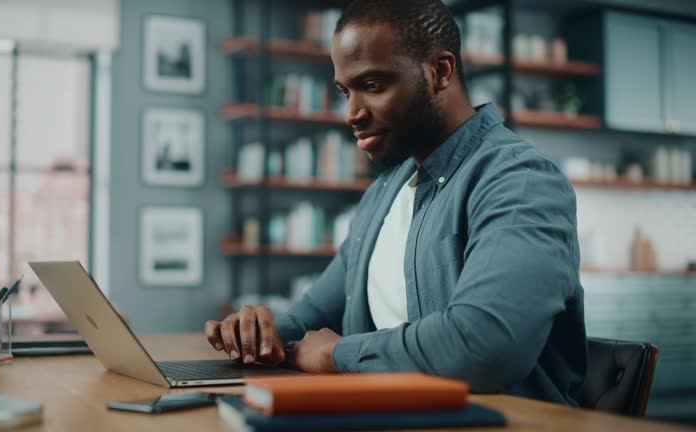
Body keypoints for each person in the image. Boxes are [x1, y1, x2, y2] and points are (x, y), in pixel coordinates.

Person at [205, 0, 586, 405]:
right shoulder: (383, 194)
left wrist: (336, 355)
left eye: (372, 85)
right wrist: (258, 334)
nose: (351, 113)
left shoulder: (519, 180)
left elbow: (483, 346)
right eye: (344, 91)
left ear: (440, 71)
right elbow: (311, 319)